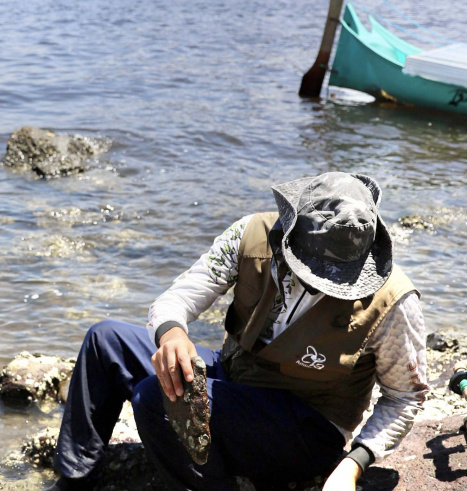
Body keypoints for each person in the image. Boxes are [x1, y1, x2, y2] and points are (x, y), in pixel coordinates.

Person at [50, 172, 428, 491]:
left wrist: (353, 464)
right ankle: (75, 479)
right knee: (105, 340)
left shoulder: (393, 300)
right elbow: (182, 294)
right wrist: (172, 334)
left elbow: (405, 398)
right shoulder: (251, 235)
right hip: (234, 377)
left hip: (305, 425)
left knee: (156, 397)